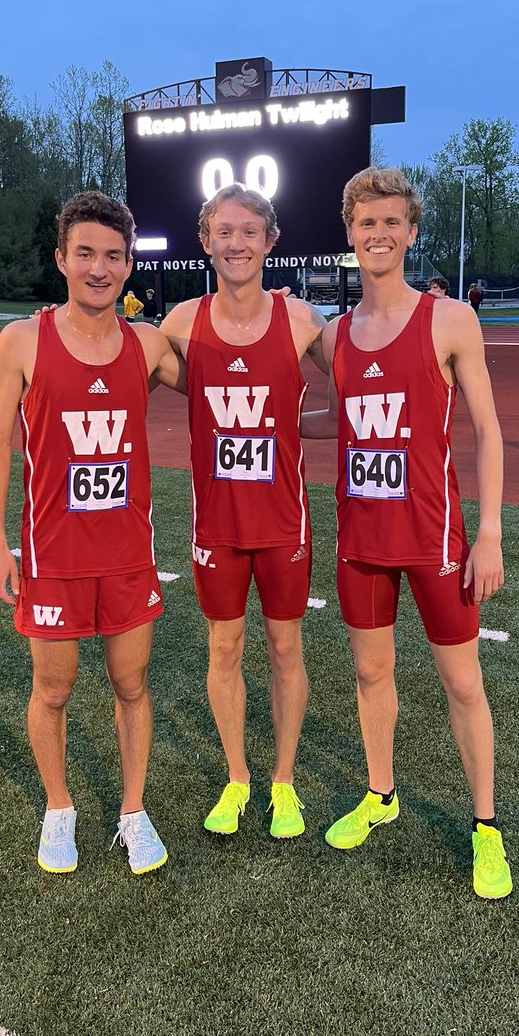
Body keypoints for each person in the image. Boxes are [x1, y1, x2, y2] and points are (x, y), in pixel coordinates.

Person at [301, 167, 512, 900]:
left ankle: (486, 827)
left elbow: (487, 429)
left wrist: (488, 533)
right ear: (349, 233)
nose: (378, 234)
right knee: (370, 674)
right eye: (366, 223)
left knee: (461, 682)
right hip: (361, 538)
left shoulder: (450, 320)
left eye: (391, 222)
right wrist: (269, 423)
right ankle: (380, 795)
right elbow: (341, 420)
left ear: (411, 232)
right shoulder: (335, 337)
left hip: (436, 539)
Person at [0, 190, 184, 877]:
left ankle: (133, 812)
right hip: (53, 555)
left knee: (131, 684)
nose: (100, 268)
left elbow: (230, 382)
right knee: (55, 689)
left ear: (129, 266)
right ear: (61, 258)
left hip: (128, 556)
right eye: (86, 254)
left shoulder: (148, 344)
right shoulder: (22, 341)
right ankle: (59, 808)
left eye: (114, 256)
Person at [160, 184, 328, 839]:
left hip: (284, 523)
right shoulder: (179, 323)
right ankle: (238, 778)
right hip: (217, 528)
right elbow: (115, 373)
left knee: (285, 649)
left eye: (249, 231)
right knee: (224, 647)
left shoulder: (304, 323)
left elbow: (368, 386)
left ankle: (282, 784)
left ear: (270, 241)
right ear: (206, 241)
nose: (236, 243)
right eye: (223, 231)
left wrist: (293, 425)